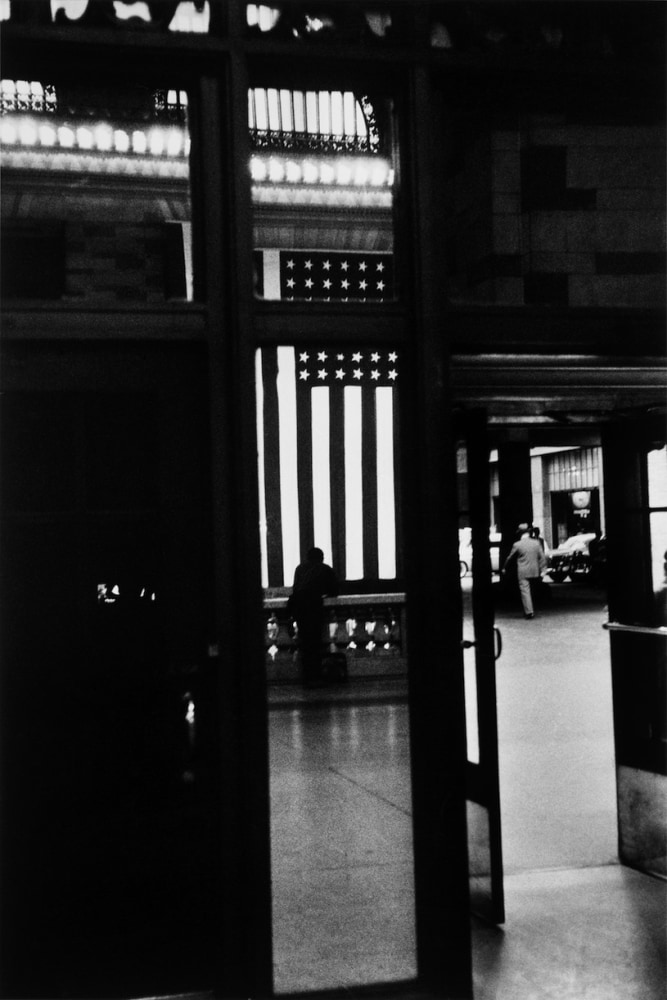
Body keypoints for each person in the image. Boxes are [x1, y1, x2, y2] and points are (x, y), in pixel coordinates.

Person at [288, 547, 339, 685]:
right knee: (316, 642)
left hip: (299, 608)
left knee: (305, 642)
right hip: (314, 607)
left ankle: (306, 676)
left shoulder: (299, 569)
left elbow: (296, 588)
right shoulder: (325, 569)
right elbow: (334, 590)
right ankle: (316, 676)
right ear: (321, 557)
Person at [502, 523, 547, 619]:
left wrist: (504, 567)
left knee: (525, 591)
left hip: (523, 571)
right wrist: (543, 570)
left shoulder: (517, 545)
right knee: (533, 590)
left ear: (519, 534)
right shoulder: (536, 543)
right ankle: (532, 607)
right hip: (535, 570)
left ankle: (529, 611)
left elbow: (510, 558)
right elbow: (542, 557)